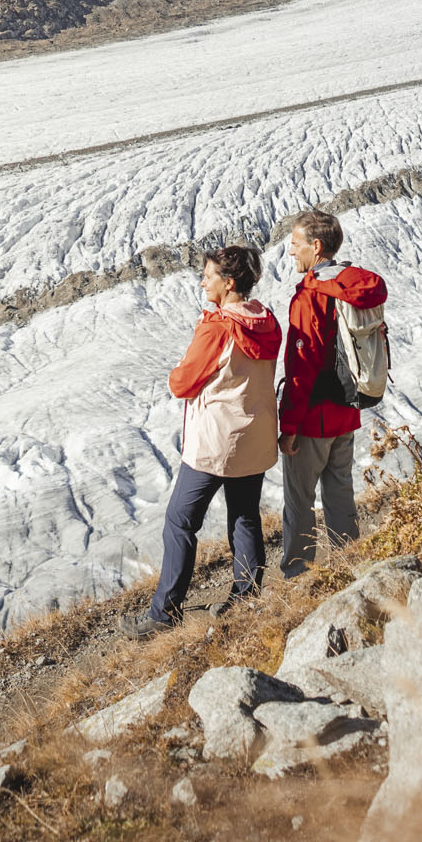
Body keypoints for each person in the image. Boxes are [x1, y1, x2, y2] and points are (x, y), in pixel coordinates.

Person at [137, 241, 282, 633]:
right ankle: (247, 597)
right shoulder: (267, 321)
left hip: (215, 443)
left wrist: (185, 360)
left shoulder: (218, 328)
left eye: (208, 276)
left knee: (180, 522)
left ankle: (164, 613)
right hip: (256, 436)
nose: (202, 282)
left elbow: (182, 383)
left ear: (229, 282)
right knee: (245, 517)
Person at [276, 207, 388, 577]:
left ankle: (297, 575)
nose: (291, 252)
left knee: (299, 501)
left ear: (316, 246)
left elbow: (301, 365)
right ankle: (351, 565)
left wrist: (288, 425)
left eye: (295, 244)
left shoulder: (311, 295)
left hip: (312, 418)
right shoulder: (352, 285)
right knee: (340, 493)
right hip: (348, 411)